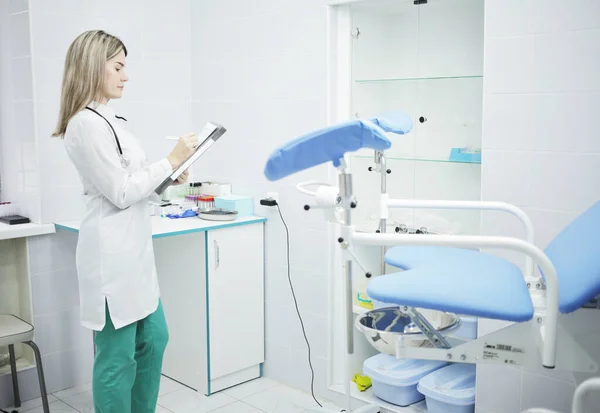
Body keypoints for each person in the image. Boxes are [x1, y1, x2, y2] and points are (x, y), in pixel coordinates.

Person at [51, 30, 197, 413]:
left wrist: (169, 176)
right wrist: (169, 159)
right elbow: (118, 192)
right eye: (118, 66)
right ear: (92, 67)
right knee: (117, 359)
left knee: (154, 340)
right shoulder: (84, 124)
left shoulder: (114, 119)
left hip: (135, 254)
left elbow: (134, 183)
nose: (125, 76)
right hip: (111, 260)